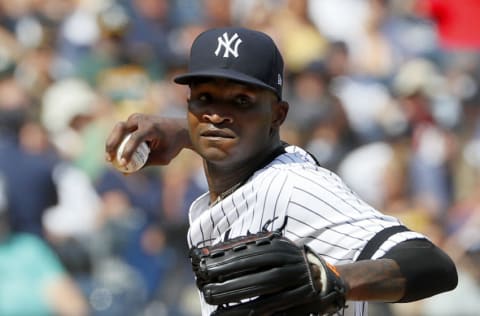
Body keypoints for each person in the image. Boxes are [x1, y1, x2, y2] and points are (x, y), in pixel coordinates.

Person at [105, 27, 458, 316]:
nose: (216, 114)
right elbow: (221, 128)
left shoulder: (296, 187)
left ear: (278, 115)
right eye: (206, 97)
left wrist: (330, 278)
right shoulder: (239, 172)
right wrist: (183, 133)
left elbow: (431, 265)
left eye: (241, 101)